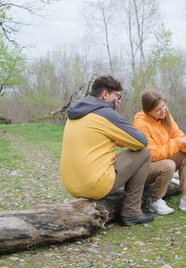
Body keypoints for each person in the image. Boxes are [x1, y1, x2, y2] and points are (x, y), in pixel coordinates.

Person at [60, 76, 154, 226]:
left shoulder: (75, 112)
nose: (119, 100)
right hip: (94, 186)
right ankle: (132, 213)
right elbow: (141, 141)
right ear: (105, 94)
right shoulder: (105, 113)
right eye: (117, 96)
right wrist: (123, 140)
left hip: (71, 185)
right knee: (144, 153)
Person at [133, 90, 186, 215]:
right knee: (168, 164)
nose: (163, 111)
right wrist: (177, 143)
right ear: (148, 111)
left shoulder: (165, 116)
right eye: (158, 109)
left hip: (162, 160)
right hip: (144, 169)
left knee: (185, 154)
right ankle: (155, 201)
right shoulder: (141, 124)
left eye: (164, 106)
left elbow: (179, 136)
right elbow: (152, 155)